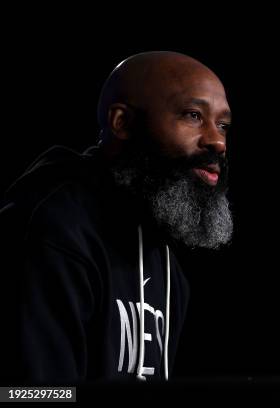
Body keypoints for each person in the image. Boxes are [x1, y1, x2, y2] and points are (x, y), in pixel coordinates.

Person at [0, 51, 233, 383]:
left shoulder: (165, 262)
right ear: (121, 122)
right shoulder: (53, 230)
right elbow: (22, 395)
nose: (217, 141)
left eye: (223, 125)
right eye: (193, 115)